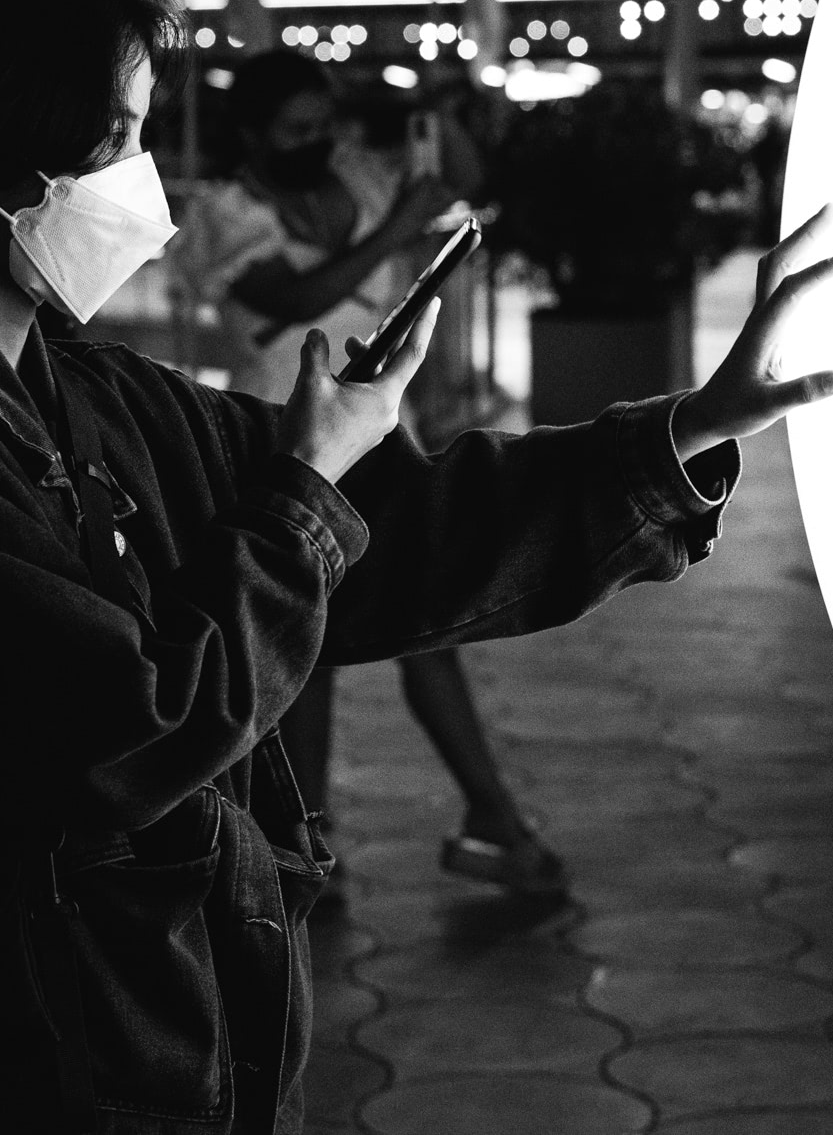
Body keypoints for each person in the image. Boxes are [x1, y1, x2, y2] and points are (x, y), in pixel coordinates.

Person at [0, 0, 833, 1132]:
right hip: (9, 1050)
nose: (143, 185)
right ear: (1, 166)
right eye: (121, 140)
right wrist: (302, 495)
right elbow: (132, 736)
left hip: (161, 1025)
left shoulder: (94, 393)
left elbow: (400, 527)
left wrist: (691, 431)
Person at [181, 49, 566, 899]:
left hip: (385, 440)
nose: (315, 142)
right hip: (279, 445)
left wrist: (435, 111)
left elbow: (464, 173)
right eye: (294, 129)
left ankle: (481, 820)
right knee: (301, 657)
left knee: (431, 630)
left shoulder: (359, 169)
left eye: (324, 124)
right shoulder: (225, 209)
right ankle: (316, 840)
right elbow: (294, 297)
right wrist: (399, 230)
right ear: (249, 132)